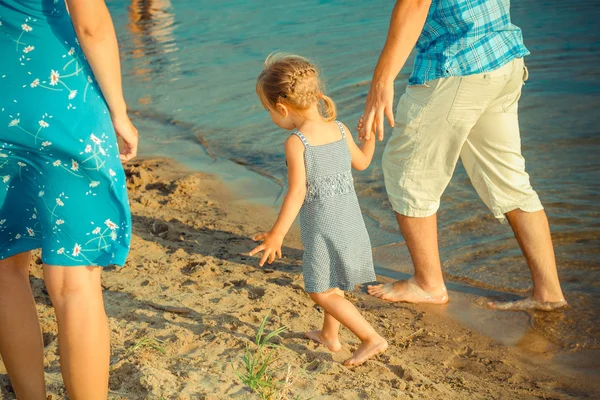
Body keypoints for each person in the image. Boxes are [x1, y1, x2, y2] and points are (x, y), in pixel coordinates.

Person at [360, 0, 567, 311]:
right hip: (501, 57)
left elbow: (415, 3)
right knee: (510, 180)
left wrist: (382, 80)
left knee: (407, 174)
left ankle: (428, 284)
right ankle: (548, 294)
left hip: (457, 64)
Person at [0, 0, 138, 398]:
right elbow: (91, 26)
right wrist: (119, 112)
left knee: (5, 269)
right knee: (74, 282)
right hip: (61, 104)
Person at [250, 54, 388, 366]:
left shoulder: (297, 142)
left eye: (269, 110)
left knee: (319, 290)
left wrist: (277, 235)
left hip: (324, 226)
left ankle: (371, 338)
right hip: (351, 222)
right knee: (333, 283)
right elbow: (363, 163)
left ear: (282, 108)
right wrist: (368, 138)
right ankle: (330, 335)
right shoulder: (339, 129)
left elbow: (297, 192)